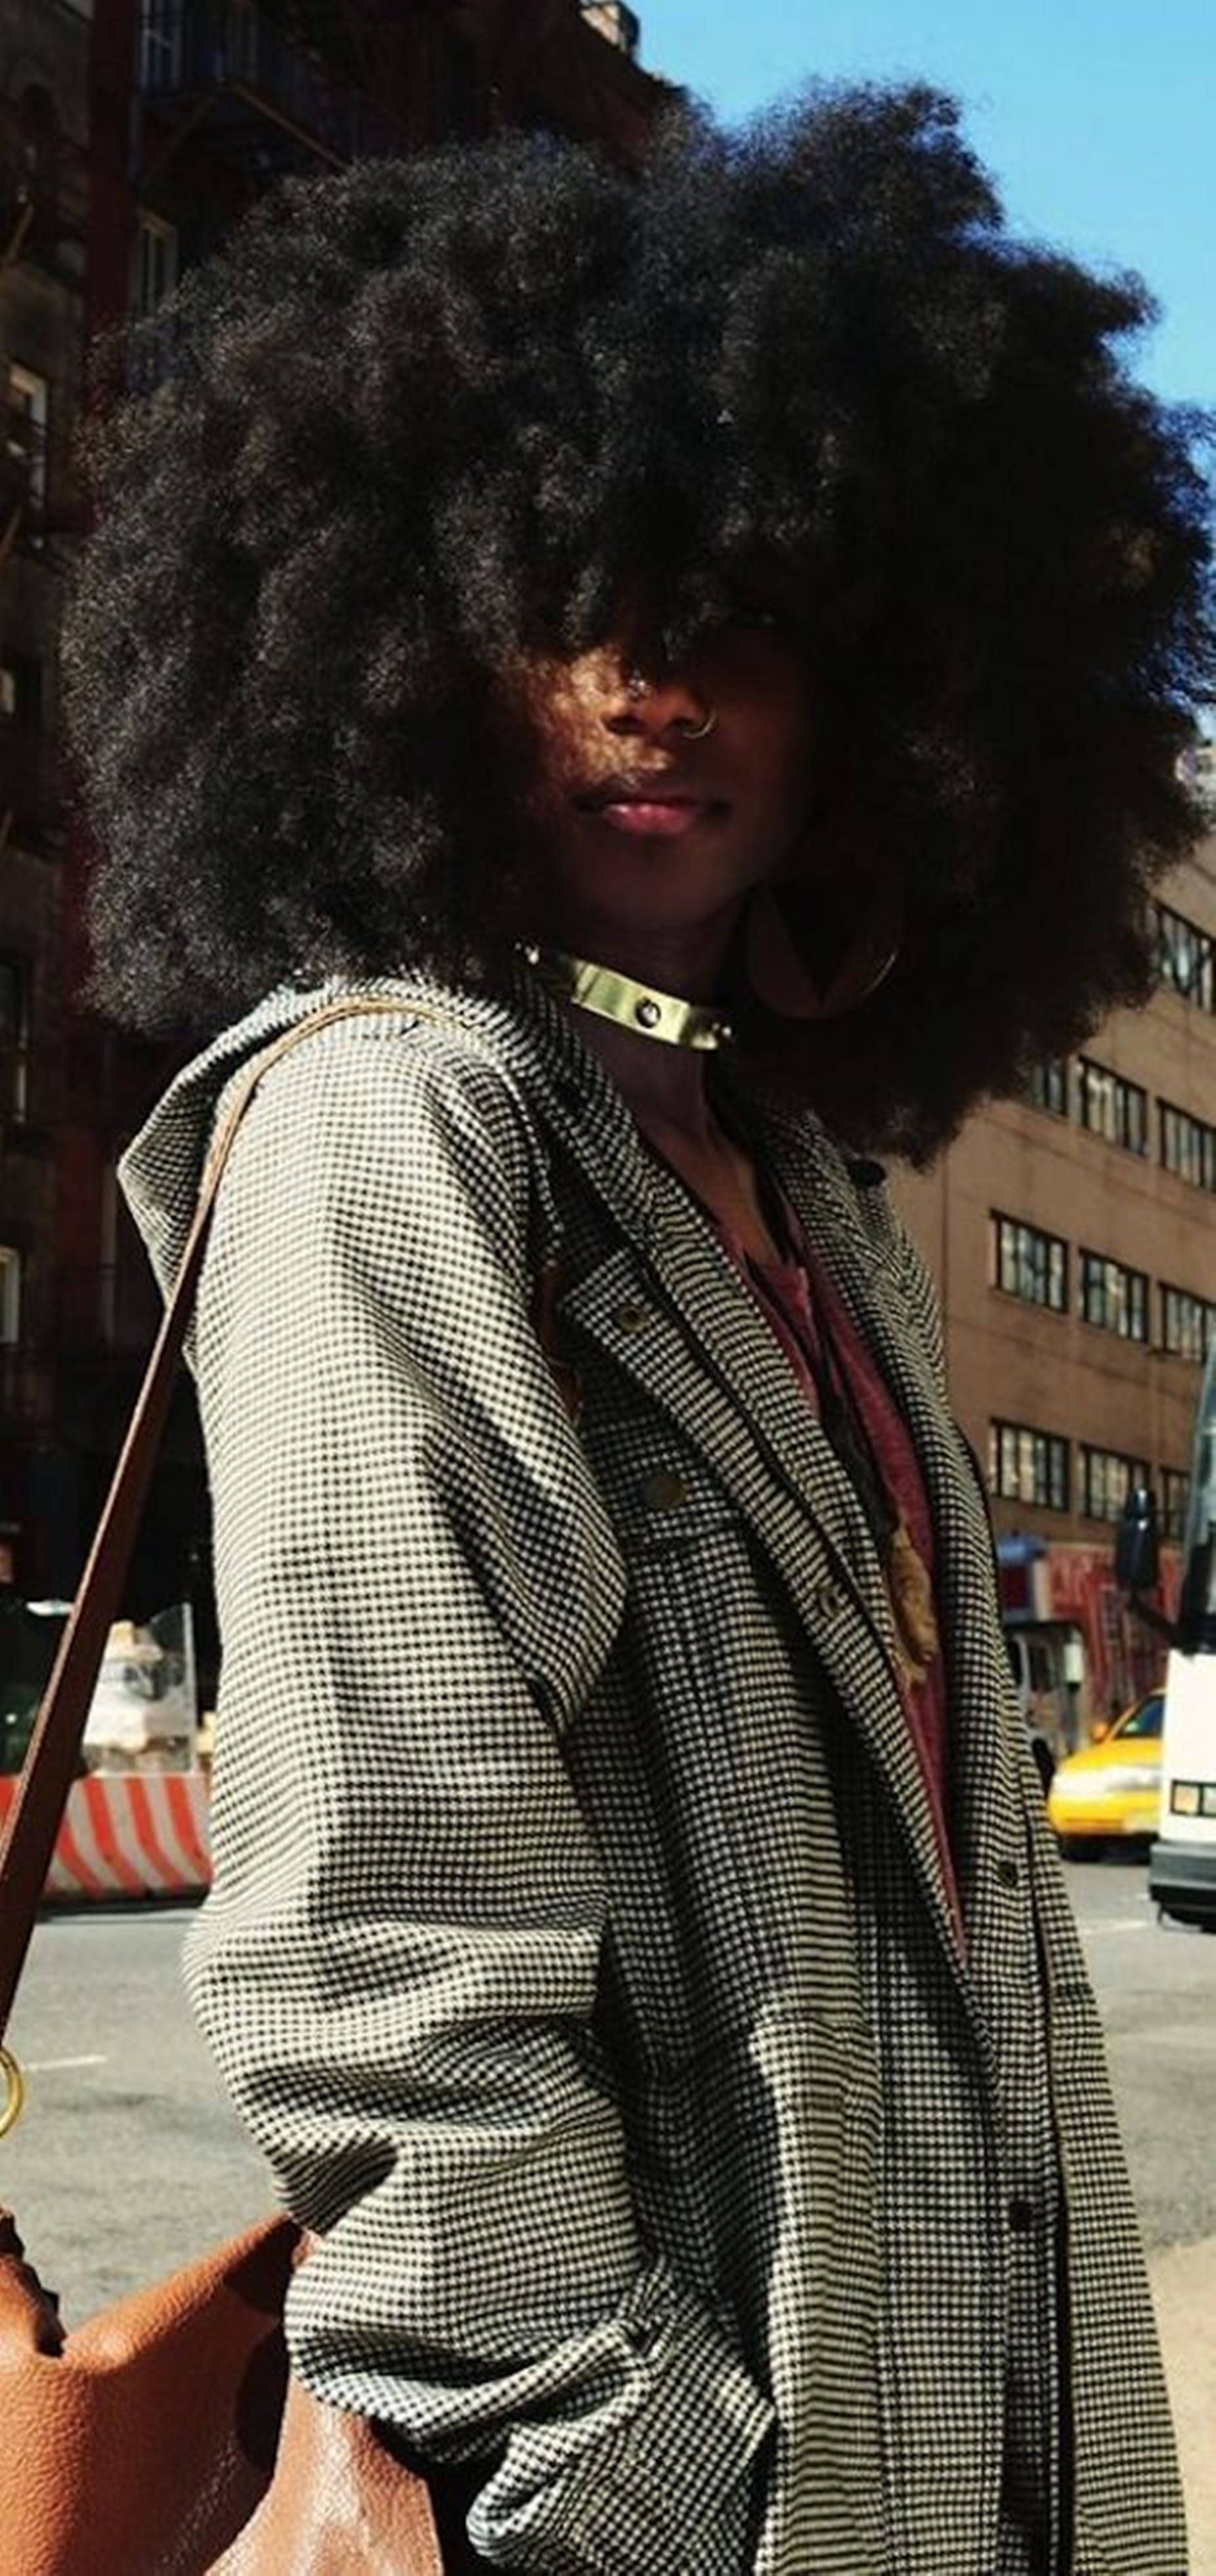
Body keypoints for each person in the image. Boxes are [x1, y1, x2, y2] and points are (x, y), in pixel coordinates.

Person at [61, 87, 1211, 2576]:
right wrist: (623, 2493)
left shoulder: (795, 1177)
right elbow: (383, 1950)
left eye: (742, 608)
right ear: (388, 651)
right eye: (552, 594)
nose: (647, 681)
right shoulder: (407, 1123)